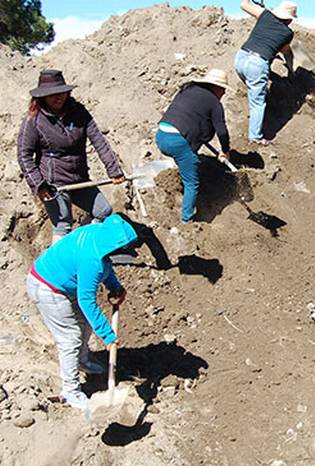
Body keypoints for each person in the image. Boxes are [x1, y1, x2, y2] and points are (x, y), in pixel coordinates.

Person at [26, 213, 138, 409]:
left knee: (85, 325)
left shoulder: (98, 235)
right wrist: (107, 335)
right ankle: (70, 391)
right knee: (70, 338)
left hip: (61, 283)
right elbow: (86, 300)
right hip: (47, 288)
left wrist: (115, 287)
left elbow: (106, 266)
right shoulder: (91, 260)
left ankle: (82, 360)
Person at [17, 69, 125, 244]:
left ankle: (80, 244)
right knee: (62, 224)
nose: (58, 98)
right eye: (52, 95)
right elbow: (24, 155)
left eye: (62, 93)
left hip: (79, 178)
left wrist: (114, 170)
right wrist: (39, 185)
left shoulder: (79, 111)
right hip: (53, 184)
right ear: (42, 97)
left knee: (103, 211)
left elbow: (98, 140)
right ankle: (57, 268)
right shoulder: (34, 121)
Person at [155, 69, 232, 224]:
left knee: (188, 160)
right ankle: (186, 220)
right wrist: (225, 151)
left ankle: (182, 179)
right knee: (192, 182)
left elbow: (190, 116)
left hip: (161, 135)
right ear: (215, 87)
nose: (224, 92)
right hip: (177, 142)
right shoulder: (214, 102)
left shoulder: (187, 90)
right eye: (223, 89)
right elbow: (222, 131)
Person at [235, 0, 298, 145]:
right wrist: (291, 70)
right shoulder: (287, 33)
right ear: (289, 19)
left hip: (240, 58)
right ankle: (255, 137)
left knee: (254, 84)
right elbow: (286, 52)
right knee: (258, 103)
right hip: (257, 64)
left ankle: (254, 91)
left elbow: (243, 4)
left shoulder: (265, 15)